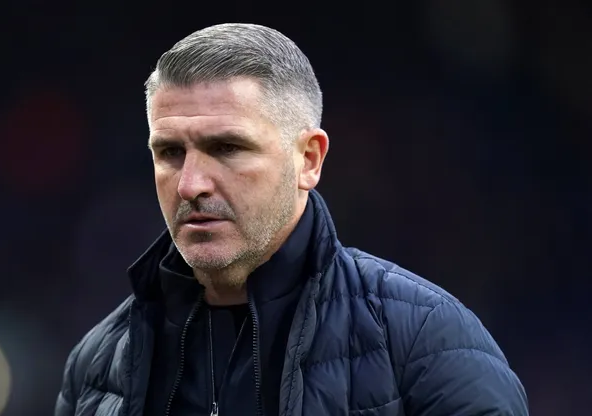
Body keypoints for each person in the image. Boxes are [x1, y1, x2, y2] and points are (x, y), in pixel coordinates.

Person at [55, 23, 528, 416]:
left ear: (309, 159)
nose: (190, 184)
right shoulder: (98, 363)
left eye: (227, 147)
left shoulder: (427, 342)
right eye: (170, 152)